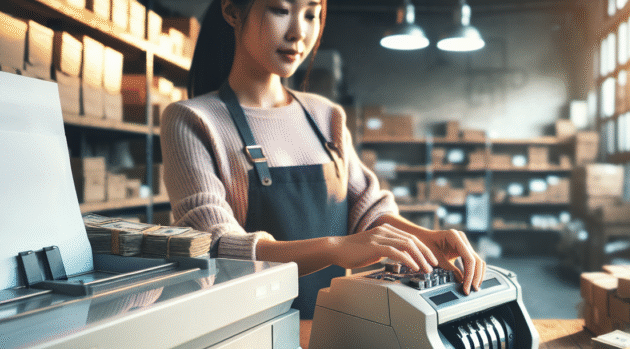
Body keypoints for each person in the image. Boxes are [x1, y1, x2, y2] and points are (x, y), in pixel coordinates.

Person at [161, 0, 486, 318]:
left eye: (312, 14)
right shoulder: (191, 120)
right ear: (232, 11)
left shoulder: (325, 115)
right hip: (247, 334)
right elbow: (216, 247)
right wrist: (335, 247)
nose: (298, 32)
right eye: (281, 10)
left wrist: (426, 238)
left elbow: (368, 213)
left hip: (337, 326)